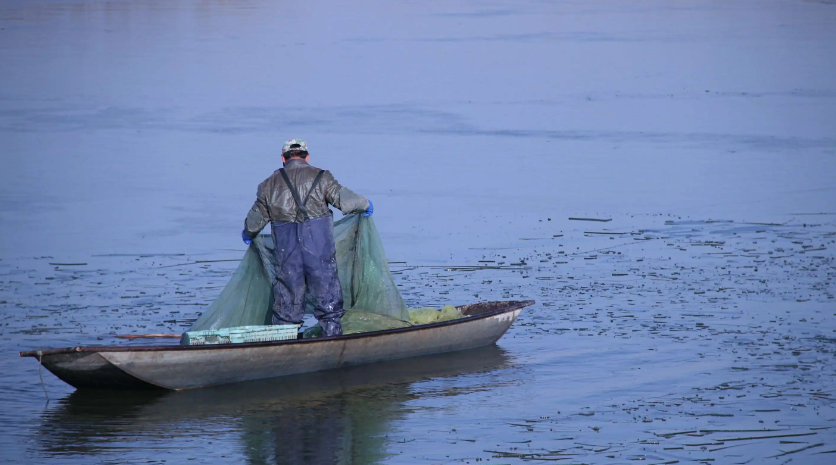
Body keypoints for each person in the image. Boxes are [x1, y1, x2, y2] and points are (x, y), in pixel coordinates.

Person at [242, 139, 372, 337]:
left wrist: (248, 234)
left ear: (283, 158)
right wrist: (365, 204)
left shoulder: (268, 185)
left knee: (288, 299)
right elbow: (345, 200)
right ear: (307, 157)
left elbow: (254, 223)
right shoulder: (322, 177)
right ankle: (333, 338)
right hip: (319, 250)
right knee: (327, 297)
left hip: (288, 254)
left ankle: (285, 343)